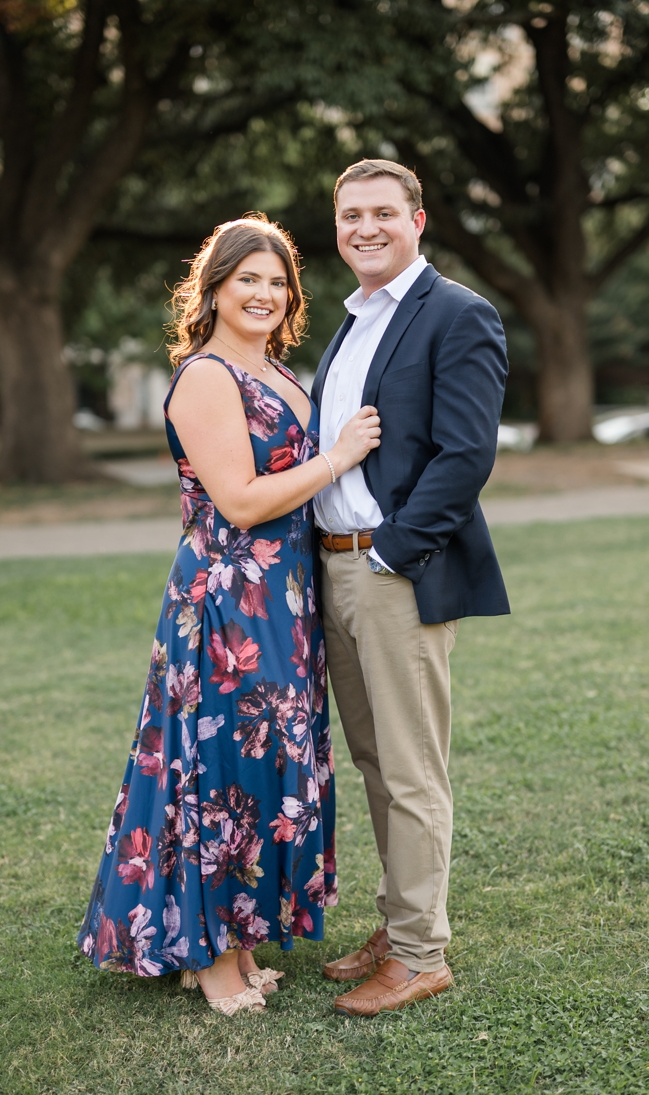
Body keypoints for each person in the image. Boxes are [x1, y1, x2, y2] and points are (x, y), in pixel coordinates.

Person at [78, 215, 382, 1015]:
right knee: (214, 775)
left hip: (284, 596)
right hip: (226, 600)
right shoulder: (208, 376)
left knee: (261, 769)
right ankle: (207, 959)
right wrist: (337, 457)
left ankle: (237, 942)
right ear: (212, 287)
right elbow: (242, 501)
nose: (264, 293)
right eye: (247, 277)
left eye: (278, 281)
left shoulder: (278, 372)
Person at [311, 159, 508, 1016]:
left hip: (394, 572)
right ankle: (398, 922)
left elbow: (465, 455)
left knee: (413, 768)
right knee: (374, 762)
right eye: (352, 214)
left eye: (383, 213)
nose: (366, 227)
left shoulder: (458, 313)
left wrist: (390, 553)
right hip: (332, 566)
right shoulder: (351, 323)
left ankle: (423, 952)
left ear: (417, 220)